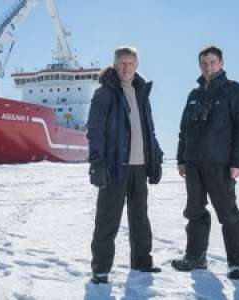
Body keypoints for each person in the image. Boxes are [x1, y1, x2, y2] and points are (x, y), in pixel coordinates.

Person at [171, 45, 239, 280]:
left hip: (221, 164)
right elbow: (183, 130)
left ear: (221, 63)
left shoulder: (235, 91)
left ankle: (237, 262)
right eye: (204, 63)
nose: (208, 67)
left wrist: (238, 161)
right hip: (194, 165)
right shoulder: (194, 95)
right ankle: (196, 257)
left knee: (228, 213)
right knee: (195, 211)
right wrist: (181, 158)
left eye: (212, 62)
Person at [87, 46, 164, 284]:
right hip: (114, 166)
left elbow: (148, 129)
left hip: (139, 167)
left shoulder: (141, 92)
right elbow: (95, 130)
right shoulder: (105, 93)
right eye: (122, 63)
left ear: (137, 65)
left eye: (130, 63)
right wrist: (97, 162)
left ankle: (141, 261)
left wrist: (156, 157)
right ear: (114, 64)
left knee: (140, 216)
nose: (126, 67)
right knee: (108, 219)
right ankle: (101, 270)